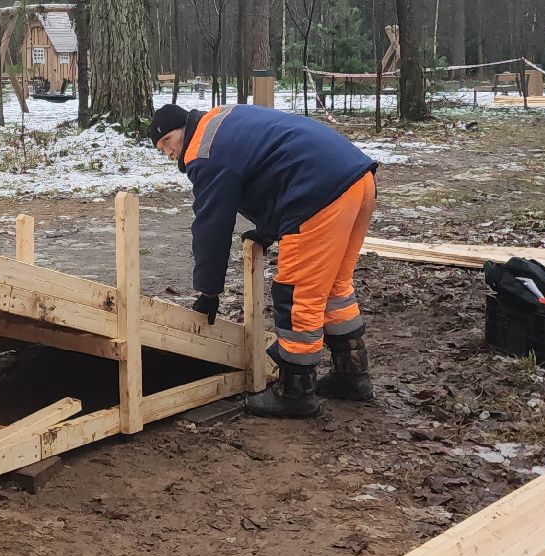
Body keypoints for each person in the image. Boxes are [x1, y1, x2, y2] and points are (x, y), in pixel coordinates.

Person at [149, 102, 377, 418]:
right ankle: (352, 373)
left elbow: (212, 225)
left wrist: (208, 292)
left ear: (181, 130)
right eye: (161, 150)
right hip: (355, 179)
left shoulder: (204, 150)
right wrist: (269, 229)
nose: (168, 154)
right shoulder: (220, 122)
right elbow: (269, 164)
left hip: (319, 191)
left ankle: (296, 391)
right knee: (334, 288)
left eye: (166, 143)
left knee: (296, 291)